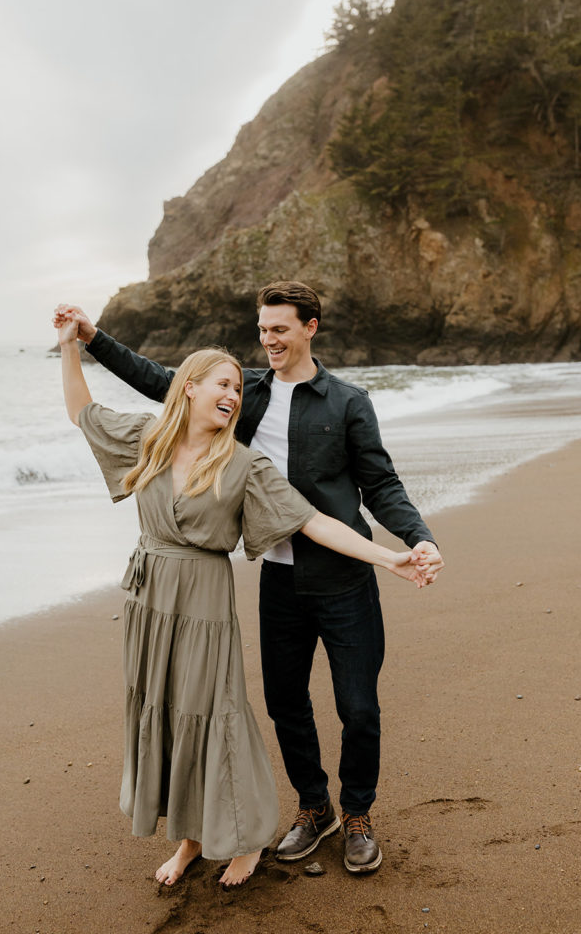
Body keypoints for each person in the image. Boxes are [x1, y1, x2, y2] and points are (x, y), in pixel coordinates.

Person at [54, 281, 444, 875]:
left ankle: (357, 813)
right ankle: (315, 809)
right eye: (262, 330)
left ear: (310, 327)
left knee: (358, 707)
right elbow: (165, 383)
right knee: (285, 704)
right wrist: (89, 339)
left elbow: (376, 485)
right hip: (277, 579)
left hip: (340, 576)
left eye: (279, 329)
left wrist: (409, 542)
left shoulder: (346, 402)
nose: (268, 341)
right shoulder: (247, 393)